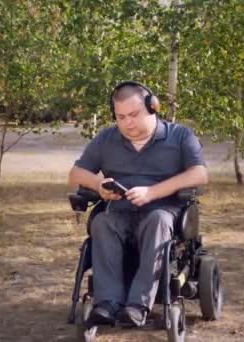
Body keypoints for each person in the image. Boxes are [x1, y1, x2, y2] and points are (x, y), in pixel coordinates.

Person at [67, 81, 208, 326]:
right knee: (101, 222)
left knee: (157, 220)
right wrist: (99, 185)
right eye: (121, 117)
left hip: (162, 211)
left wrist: (153, 192)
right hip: (119, 211)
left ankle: (137, 305)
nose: (127, 123)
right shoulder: (106, 138)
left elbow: (199, 174)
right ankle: (107, 303)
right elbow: (76, 174)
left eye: (134, 115)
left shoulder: (180, 136)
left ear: (152, 108)